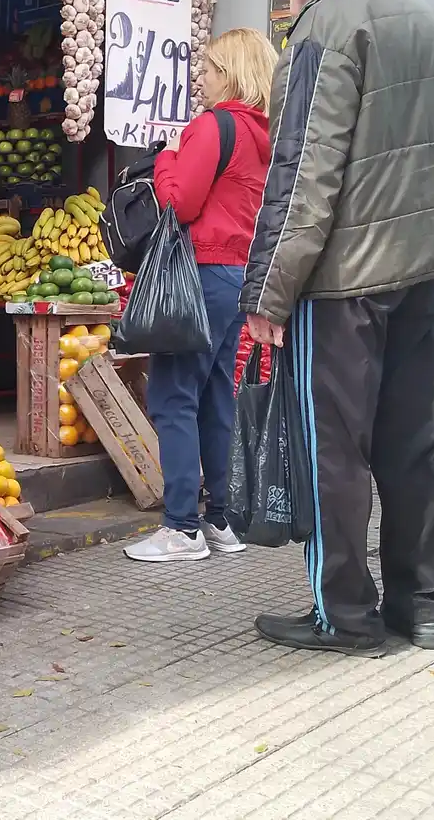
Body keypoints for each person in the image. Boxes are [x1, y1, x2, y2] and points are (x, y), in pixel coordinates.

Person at [243, 0, 434, 656]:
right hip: (422, 275)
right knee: (412, 444)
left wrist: (267, 295)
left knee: (333, 449)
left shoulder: (324, 29)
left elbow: (302, 172)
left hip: (343, 282)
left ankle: (343, 615)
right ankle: (427, 607)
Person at [123, 28, 277, 563]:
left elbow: (181, 203)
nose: (202, 79)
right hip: (238, 276)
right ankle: (221, 520)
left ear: (230, 74)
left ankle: (181, 527)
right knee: (215, 397)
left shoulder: (214, 126)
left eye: (209, 69)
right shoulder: (265, 135)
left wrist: (165, 159)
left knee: (172, 397)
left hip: (201, 275)